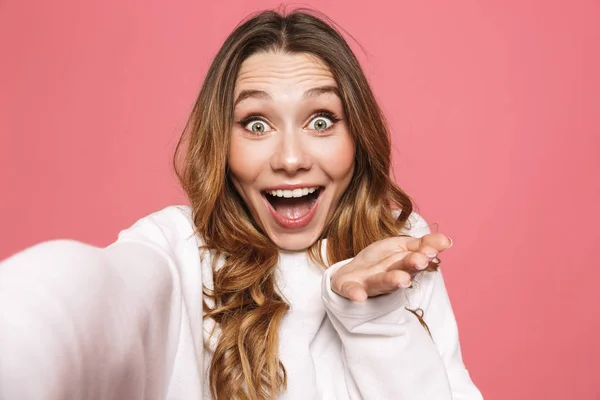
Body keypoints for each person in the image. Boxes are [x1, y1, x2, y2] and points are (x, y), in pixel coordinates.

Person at [0, 9, 483, 400]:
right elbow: (87, 296)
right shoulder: (177, 249)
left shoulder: (395, 248)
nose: (291, 159)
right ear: (221, 143)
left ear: (357, 136)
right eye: (256, 124)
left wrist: (373, 319)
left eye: (320, 121)